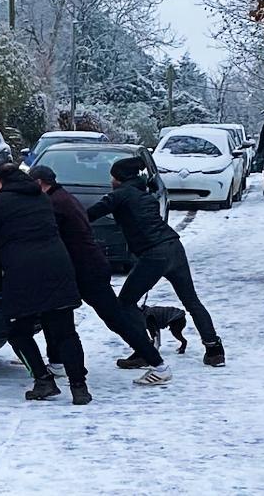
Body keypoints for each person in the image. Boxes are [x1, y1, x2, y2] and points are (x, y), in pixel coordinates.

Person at [0, 163, 91, 405]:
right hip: (58, 266)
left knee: (17, 332)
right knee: (65, 332)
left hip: (24, 274)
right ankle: (80, 388)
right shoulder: (42, 198)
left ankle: (43, 380)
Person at [28, 165, 172, 385]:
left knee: (115, 319)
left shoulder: (54, 204)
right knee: (54, 315)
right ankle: (56, 363)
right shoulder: (63, 196)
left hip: (87, 270)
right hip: (85, 267)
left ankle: (159, 366)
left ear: (39, 184)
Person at [87, 157, 225, 367]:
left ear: (119, 178)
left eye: (112, 176)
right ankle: (214, 349)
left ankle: (144, 350)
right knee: (191, 300)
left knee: (125, 302)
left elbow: (88, 215)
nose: (111, 180)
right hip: (173, 247)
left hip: (153, 254)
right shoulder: (146, 195)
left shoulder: (119, 195)